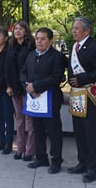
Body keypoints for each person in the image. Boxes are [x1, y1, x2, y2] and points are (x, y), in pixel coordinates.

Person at [67, 17, 96, 183]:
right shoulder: (74, 46)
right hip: (77, 95)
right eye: (73, 28)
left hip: (91, 95)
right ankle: (82, 162)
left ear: (87, 30)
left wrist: (83, 79)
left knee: (90, 132)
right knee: (79, 131)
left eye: (76, 28)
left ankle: (93, 167)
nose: (73, 30)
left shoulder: (95, 46)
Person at [20, 27, 67, 174]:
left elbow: (56, 77)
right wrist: (27, 87)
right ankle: (41, 157)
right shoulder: (30, 55)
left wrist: (35, 86)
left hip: (51, 100)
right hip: (35, 101)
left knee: (54, 132)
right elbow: (22, 72)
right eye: (37, 38)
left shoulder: (57, 57)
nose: (39, 41)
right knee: (37, 129)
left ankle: (56, 160)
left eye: (43, 39)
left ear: (50, 40)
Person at [5, 20, 35, 161]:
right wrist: (9, 85)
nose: (17, 31)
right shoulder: (11, 46)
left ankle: (30, 151)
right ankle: (20, 148)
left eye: (20, 29)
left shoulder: (31, 46)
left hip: (27, 87)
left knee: (29, 119)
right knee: (19, 119)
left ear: (26, 31)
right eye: (15, 29)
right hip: (15, 87)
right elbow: (8, 68)